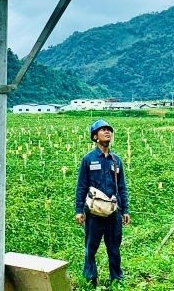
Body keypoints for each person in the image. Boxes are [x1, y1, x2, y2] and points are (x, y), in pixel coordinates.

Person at [75, 119, 130, 287]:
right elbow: (81, 186)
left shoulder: (116, 160)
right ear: (95, 136)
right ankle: (91, 279)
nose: (107, 132)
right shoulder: (88, 159)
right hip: (94, 213)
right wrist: (78, 210)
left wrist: (125, 210)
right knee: (90, 247)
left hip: (113, 212)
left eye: (109, 130)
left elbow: (122, 187)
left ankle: (117, 278)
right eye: (103, 130)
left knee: (114, 247)